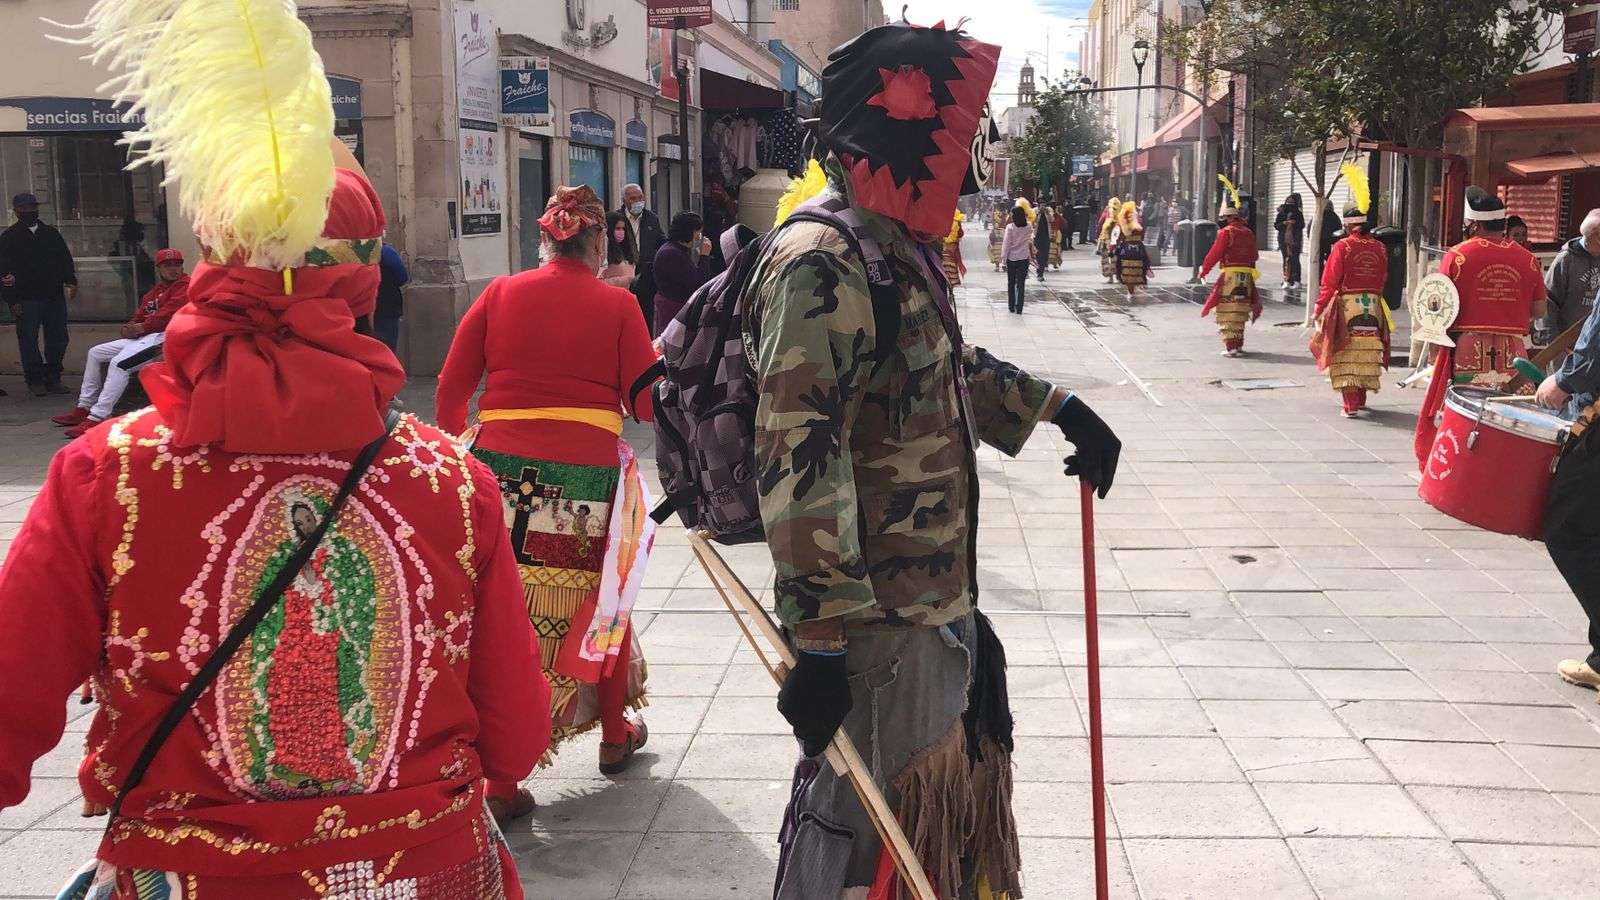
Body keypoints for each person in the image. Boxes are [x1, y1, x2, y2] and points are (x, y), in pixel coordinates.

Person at [0, 3, 548, 892]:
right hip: (420, 867)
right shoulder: (452, 479)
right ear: (363, 283)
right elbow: (517, 732)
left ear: (212, 261)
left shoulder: (109, 471)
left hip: (194, 873)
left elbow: (10, 695)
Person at [748, 22, 1122, 899]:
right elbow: (798, 446)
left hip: (933, 600)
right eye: (952, 128)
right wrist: (821, 637)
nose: (966, 153)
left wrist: (1058, 408)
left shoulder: (895, 248)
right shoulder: (821, 260)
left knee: (928, 835)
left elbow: (942, 368)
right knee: (869, 844)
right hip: (874, 624)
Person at [437, 183, 660, 828]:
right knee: (598, 601)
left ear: (545, 241)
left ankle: (503, 779)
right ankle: (613, 733)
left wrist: (459, 456)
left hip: (495, 474)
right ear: (599, 244)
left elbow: (451, 390)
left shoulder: (499, 294)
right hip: (583, 480)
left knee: (500, 611)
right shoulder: (618, 305)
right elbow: (646, 405)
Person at [1415, 187, 1548, 465]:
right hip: (1513, 349)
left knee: (1465, 408)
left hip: (1467, 345)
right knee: (1511, 411)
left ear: (1473, 224)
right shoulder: (1527, 259)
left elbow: (1439, 307)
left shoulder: (1457, 255)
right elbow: (1539, 311)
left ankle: (1463, 465)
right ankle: (1502, 464)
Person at [50, 248, 189, 438]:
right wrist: (128, 328)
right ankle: (83, 407)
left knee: (120, 364)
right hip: (145, 336)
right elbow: (139, 315)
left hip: (164, 338)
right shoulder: (155, 292)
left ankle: (97, 417)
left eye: (177, 264)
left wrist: (141, 327)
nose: (173, 269)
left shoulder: (185, 286)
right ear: (159, 268)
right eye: (167, 265)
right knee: (96, 353)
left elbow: (165, 316)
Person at [1311, 177, 1389, 418]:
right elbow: (1383, 278)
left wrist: (1319, 308)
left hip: (1348, 307)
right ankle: (1361, 400)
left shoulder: (1342, 246)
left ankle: (1351, 405)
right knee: (1366, 353)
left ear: (1346, 225)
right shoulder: (1380, 247)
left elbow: (1329, 282)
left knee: (1347, 353)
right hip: (1373, 306)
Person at [0, 192, 78, 396]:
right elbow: (4, 271)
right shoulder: (9, 237)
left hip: (53, 296)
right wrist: (12, 300)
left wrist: (70, 280)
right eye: (23, 208)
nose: (28, 211)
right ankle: (35, 379)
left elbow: (64, 260)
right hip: (26, 299)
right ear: (16, 211)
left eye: (31, 207)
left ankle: (53, 377)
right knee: (28, 340)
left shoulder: (51, 234)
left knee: (58, 338)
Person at [1200, 178, 1261, 357]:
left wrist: (1204, 269)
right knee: (1240, 311)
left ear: (1228, 218)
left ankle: (1231, 347)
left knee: (1227, 311)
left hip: (1230, 277)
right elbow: (1254, 256)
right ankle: (1238, 345)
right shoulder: (1248, 232)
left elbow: (1215, 253)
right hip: (1246, 277)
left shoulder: (1226, 232)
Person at [650, 211, 713, 333]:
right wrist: (704, 256)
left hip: (676, 305)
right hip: (673, 307)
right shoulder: (671, 253)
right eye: (697, 232)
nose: (699, 237)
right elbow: (698, 282)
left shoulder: (676, 249)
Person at [1545, 209, 1600, 338]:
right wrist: (1552, 339)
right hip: (1568, 340)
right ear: (1588, 239)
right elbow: (1549, 301)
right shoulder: (1566, 260)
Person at [618, 183, 664, 328]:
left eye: (640, 197)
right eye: (633, 198)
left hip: (645, 275)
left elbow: (660, 241)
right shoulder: (617, 219)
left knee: (646, 316)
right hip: (623, 273)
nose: (638, 201)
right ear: (624, 200)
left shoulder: (651, 218)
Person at [374, 241, 408, 351]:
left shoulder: (350, 250)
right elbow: (403, 277)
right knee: (387, 348)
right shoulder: (386, 251)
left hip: (360, 311)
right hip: (387, 308)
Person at [1003, 204, 1033, 312]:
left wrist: (1003, 260)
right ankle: (1019, 307)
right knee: (1021, 283)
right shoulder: (1029, 226)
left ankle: (1011, 306)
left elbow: (1006, 244)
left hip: (1011, 258)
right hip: (1024, 258)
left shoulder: (1010, 228)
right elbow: (1030, 239)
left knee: (1011, 283)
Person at [1275, 193, 1306, 288]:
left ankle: (1296, 279)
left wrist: (1294, 223)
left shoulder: (1298, 213)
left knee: (1295, 259)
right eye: (1288, 202)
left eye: (1292, 202)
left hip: (1295, 239)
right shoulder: (1282, 213)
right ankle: (1287, 279)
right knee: (1286, 259)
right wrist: (1284, 223)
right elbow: (1276, 225)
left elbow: (1302, 225)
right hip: (1284, 239)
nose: (1290, 204)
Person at [1116, 223, 1154, 298]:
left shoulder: (1132, 224)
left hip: (1134, 255)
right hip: (1129, 256)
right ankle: (1131, 290)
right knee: (1128, 276)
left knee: (1134, 274)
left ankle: (1132, 290)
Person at [601, 210, 637, 288]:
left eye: (623, 229)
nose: (621, 232)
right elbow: (598, 281)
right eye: (617, 228)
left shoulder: (627, 250)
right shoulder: (603, 251)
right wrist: (625, 281)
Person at [942, 210, 966, 287]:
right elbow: (961, 233)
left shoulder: (941, 217)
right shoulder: (956, 219)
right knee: (952, 265)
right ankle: (951, 286)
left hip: (942, 248)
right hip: (952, 249)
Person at [1033, 199, 1052, 280]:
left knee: (1045, 254)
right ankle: (1039, 272)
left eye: (1044, 205)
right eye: (1041, 205)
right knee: (1038, 254)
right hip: (1037, 236)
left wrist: (1047, 213)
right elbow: (1032, 221)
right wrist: (1038, 213)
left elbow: (1052, 220)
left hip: (1046, 236)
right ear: (1038, 206)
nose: (1043, 207)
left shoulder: (1048, 211)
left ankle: (1042, 270)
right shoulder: (1034, 211)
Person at [987, 205, 1006, 270]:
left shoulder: (994, 214)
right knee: (1004, 251)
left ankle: (997, 266)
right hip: (1004, 233)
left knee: (995, 250)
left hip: (995, 233)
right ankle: (1004, 265)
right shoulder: (1006, 215)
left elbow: (992, 221)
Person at [1047, 204, 1063, 268]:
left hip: (1049, 233)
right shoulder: (1058, 216)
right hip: (1057, 233)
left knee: (1049, 249)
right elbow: (1064, 223)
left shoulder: (1047, 215)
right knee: (1057, 248)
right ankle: (1055, 263)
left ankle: (1047, 263)